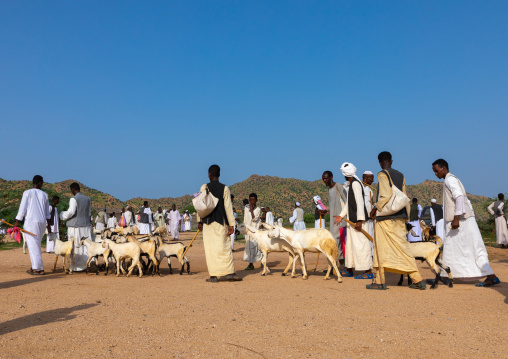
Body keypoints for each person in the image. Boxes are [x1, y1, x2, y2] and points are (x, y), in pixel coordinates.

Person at [432, 159, 500, 287]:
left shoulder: (450, 179)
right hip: (460, 221)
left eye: (436, 171)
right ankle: (445, 276)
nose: (435, 174)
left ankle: (491, 276)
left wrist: (456, 218)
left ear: (444, 168)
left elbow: (459, 197)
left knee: (474, 248)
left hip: (462, 221)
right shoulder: (449, 179)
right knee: (453, 249)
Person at [368, 151, 425, 290]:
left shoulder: (382, 174)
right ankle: (416, 278)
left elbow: (385, 195)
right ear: (391, 161)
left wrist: (376, 208)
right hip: (400, 216)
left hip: (386, 218)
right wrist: (406, 216)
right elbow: (404, 197)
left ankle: (379, 281)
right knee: (403, 247)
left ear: (380, 162)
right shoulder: (400, 175)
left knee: (380, 249)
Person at [197, 164, 241, 282]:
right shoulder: (224, 188)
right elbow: (228, 207)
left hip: (207, 223)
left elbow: (200, 205)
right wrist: (232, 224)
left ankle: (213, 276)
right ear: (219, 174)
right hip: (221, 222)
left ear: (209, 175)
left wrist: (199, 221)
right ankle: (230, 273)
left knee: (210, 249)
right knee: (224, 248)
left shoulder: (204, 187)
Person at [334, 163, 373, 279]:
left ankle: (368, 271)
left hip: (358, 222)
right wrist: (341, 216)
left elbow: (360, 203)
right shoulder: (352, 184)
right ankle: (349, 269)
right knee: (351, 246)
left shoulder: (356, 184)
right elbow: (349, 204)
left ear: (345, 174)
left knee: (362, 245)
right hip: (352, 222)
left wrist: (360, 220)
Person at [14, 175, 51, 275]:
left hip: (31, 223)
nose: (42, 184)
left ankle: (38, 268)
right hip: (42, 223)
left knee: (33, 245)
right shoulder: (45, 194)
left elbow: (22, 209)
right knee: (36, 245)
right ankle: (35, 266)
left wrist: (16, 223)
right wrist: (49, 226)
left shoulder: (27, 193)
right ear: (39, 183)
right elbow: (48, 213)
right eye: (42, 182)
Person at [60, 182, 91, 272]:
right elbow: (89, 213)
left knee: (76, 246)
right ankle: (86, 264)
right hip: (86, 225)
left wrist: (62, 215)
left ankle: (76, 266)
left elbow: (71, 212)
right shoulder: (88, 199)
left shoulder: (73, 199)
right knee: (85, 246)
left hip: (76, 227)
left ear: (73, 189)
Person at [322, 170, 347, 262]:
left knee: (337, 240)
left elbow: (347, 201)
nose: (324, 180)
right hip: (333, 220)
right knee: (335, 240)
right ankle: (334, 265)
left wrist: (342, 216)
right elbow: (332, 205)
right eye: (323, 179)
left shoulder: (339, 187)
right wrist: (325, 210)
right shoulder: (329, 189)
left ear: (331, 177)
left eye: (326, 178)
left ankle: (340, 265)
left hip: (341, 219)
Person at [243, 193, 263, 270]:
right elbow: (245, 219)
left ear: (256, 200)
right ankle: (251, 264)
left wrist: (251, 210)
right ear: (249, 200)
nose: (252, 201)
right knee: (249, 246)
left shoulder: (258, 209)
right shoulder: (246, 208)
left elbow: (254, 219)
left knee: (256, 246)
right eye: (251, 200)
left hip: (255, 230)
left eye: (253, 200)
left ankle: (262, 261)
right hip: (248, 231)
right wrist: (245, 229)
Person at [362, 171, 375, 239]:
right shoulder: (361, 188)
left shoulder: (369, 189)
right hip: (365, 218)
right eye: (371, 178)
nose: (373, 180)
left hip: (370, 217)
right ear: (366, 178)